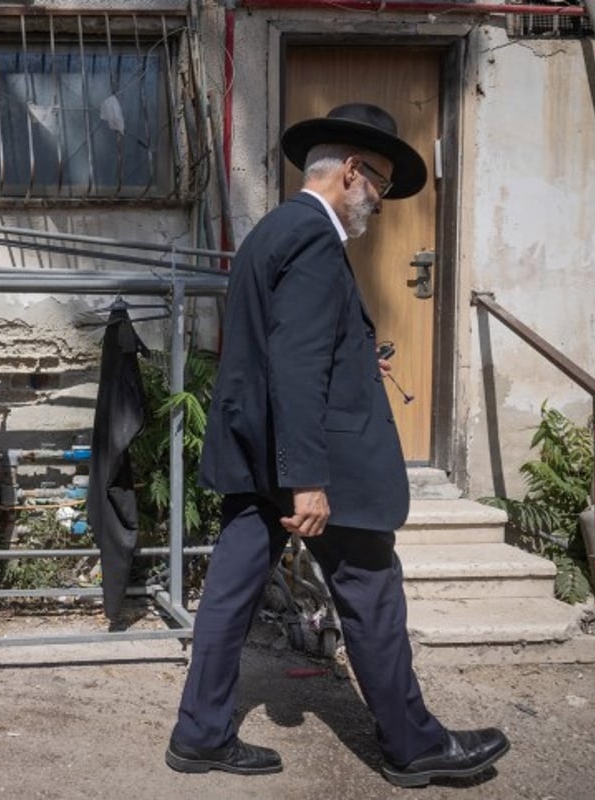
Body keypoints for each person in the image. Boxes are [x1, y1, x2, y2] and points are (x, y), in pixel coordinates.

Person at [165, 103, 510, 788]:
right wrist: (308, 480)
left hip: (258, 457)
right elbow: (293, 365)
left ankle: (199, 733)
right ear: (352, 172)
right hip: (311, 464)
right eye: (379, 186)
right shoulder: (315, 241)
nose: (379, 204)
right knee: (372, 593)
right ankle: (414, 747)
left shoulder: (274, 231)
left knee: (230, 594)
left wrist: (357, 360)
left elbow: (281, 349)